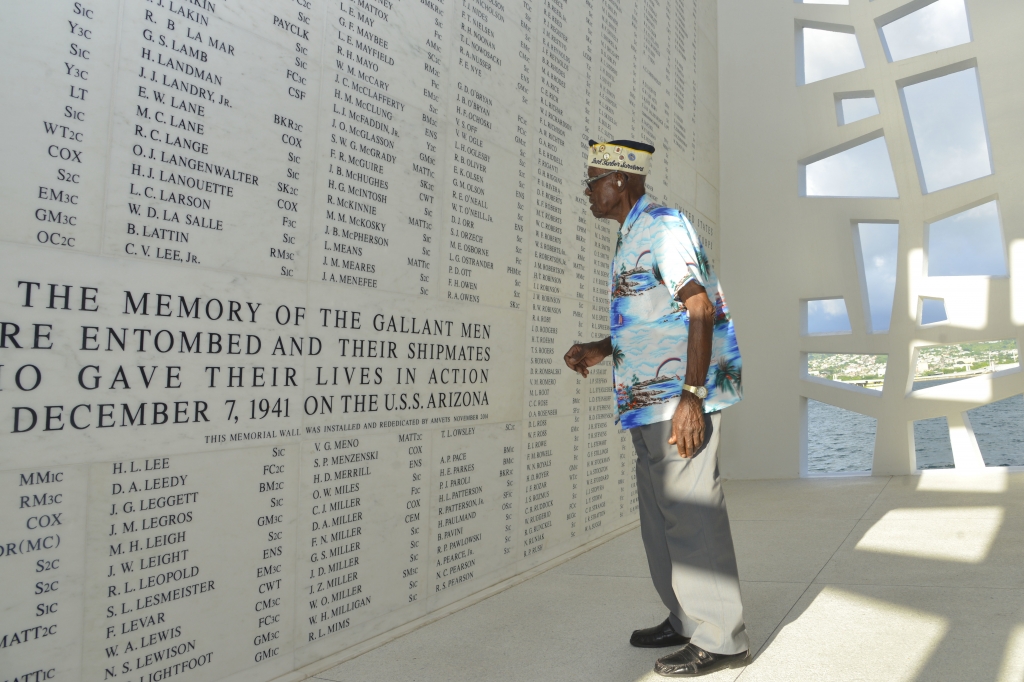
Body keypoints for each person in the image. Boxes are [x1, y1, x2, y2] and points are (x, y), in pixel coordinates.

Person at [564, 140, 749, 677]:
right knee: (660, 521)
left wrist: (691, 396)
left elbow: (699, 307)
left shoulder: (662, 226)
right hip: (646, 406)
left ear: (620, 182)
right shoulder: (632, 234)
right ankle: (686, 619)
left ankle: (721, 639)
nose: (588, 192)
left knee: (692, 517)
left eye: (594, 180)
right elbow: (656, 318)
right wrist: (604, 348)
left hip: (676, 403)